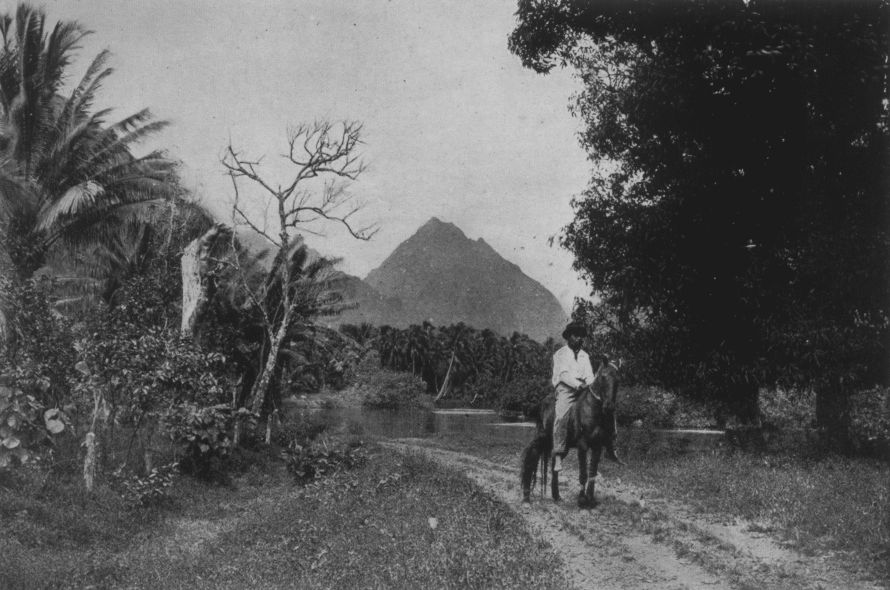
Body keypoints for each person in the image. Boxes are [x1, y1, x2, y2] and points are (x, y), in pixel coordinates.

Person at [550, 322, 622, 472]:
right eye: (576, 335)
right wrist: (578, 385)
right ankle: (558, 453)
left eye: (581, 336)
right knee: (561, 414)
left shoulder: (585, 355)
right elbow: (563, 375)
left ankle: (611, 447)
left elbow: (589, 375)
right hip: (566, 388)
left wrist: (591, 384)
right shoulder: (560, 354)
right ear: (569, 337)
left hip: (583, 387)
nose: (579, 338)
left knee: (607, 408)